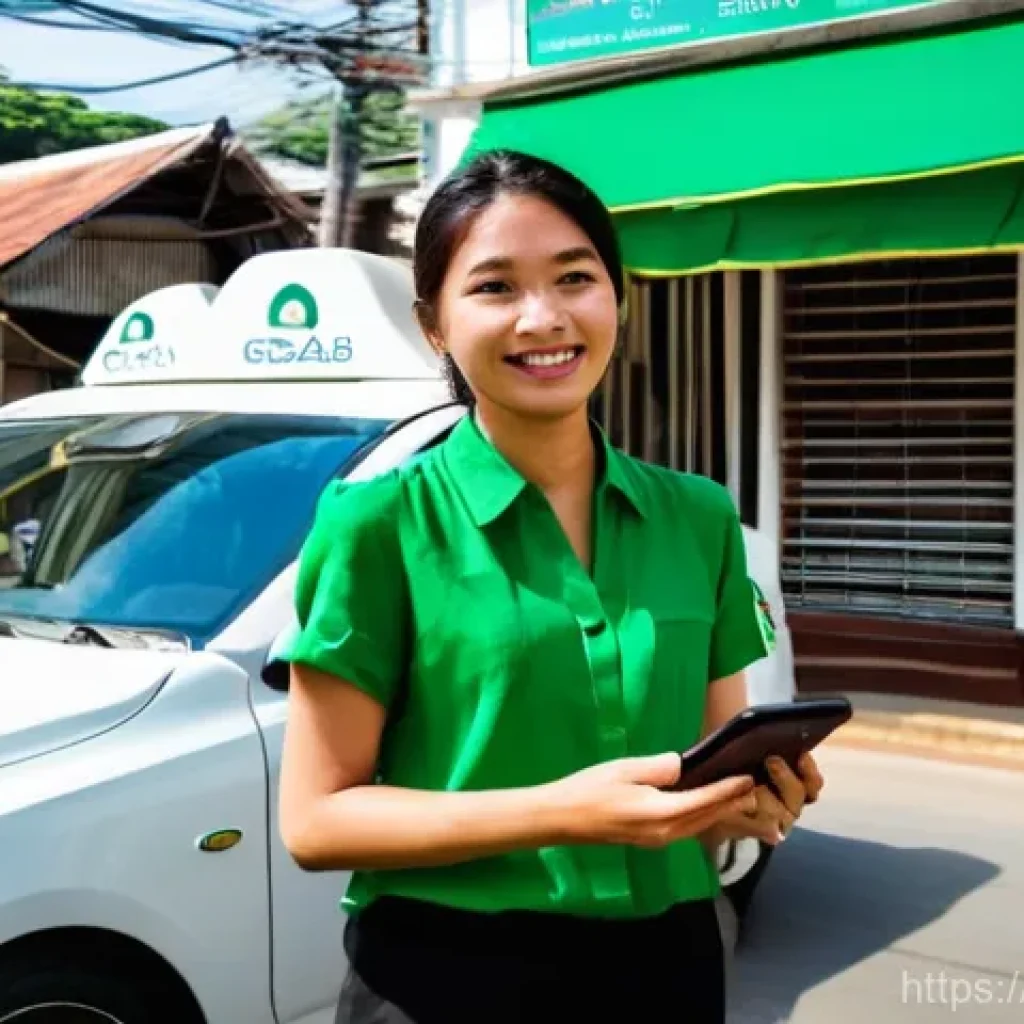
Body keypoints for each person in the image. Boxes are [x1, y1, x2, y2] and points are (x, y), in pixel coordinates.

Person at [275, 149, 826, 1024]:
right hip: (442, 979)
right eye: (495, 287)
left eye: (575, 277)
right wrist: (561, 813)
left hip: (669, 965)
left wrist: (750, 798)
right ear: (434, 324)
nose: (544, 317)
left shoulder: (700, 518)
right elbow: (316, 821)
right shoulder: (376, 523)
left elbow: (711, 768)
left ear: (616, 295)